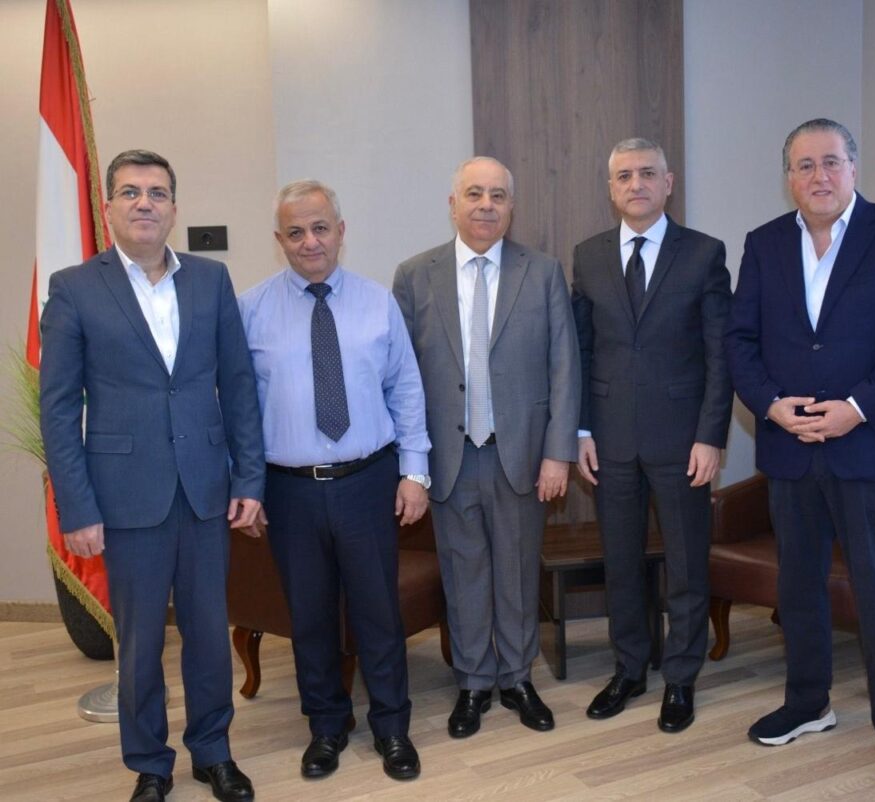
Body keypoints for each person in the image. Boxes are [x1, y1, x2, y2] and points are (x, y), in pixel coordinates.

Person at [39, 150, 264, 802]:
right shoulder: (75, 287)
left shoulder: (210, 280)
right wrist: (77, 507)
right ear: (109, 207)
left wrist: (249, 481)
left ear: (174, 208)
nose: (145, 202)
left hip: (205, 492)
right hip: (125, 498)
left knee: (209, 637)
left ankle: (213, 753)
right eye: (131, 192)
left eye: (157, 192)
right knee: (139, 646)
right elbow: (59, 408)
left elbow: (239, 385)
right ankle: (150, 765)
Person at [725, 119, 875, 791]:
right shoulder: (764, 243)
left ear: (853, 167)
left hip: (868, 447)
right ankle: (808, 703)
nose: (818, 175)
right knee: (798, 587)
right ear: (788, 177)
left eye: (830, 161)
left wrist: (857, 408)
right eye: (804, 165)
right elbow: (740, 341)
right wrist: (770, 405)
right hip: (790, 448)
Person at [238, 180, 430, 782]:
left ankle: (392, 726)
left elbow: (406, 390)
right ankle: (326, 727)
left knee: (378, 611)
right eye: (295, 232)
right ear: (279, 240)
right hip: (288, 489)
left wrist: (414, 472)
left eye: (320, 228)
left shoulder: (378, 303)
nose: (310, 241)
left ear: (341, 232)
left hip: (367, 481)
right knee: (310, 615)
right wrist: (246, 487)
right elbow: (238, 410)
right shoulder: (250, 310)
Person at [393, 157, 580, 739]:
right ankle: (473, 682)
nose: (486, 205)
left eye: (498, 195)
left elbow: (564, 367)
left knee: (518, 572)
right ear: (453, 204)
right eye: (474, 193)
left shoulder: (542, 272)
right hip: (448, 457)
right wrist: (410, 465)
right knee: (464, 573)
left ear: (511, 207)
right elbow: (400, 377)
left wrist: (558, 453)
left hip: (520, 453)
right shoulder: (415, 275)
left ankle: (518, 678)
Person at [572, 137, 732, 733]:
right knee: (621, 563)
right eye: (623, 176)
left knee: (686, 565)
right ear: (611, 189)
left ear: (668, 183)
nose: (635, 184)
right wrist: (581, 429)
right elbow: (582, 351)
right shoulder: (588, 255)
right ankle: (630, 669)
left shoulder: (704, 253)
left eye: (647, 173)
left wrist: (711, 435)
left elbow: (719, 354)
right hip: (609, 439)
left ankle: (681, 678)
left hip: (683, 441)